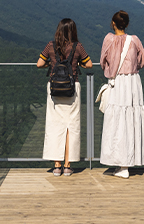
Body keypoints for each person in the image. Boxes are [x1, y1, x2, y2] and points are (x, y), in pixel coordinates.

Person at [37, 18, 92, 177]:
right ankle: (68, 165)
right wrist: (79, 64)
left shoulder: (51, 45)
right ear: (73, 31)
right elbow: (88, 64)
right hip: (71, 89)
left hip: (54, 90)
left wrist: (50, 64)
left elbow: (39, 64)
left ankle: (56, 166)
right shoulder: (77, 47)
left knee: (55, 127)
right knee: (71, 127)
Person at [99, 10, 144, 178]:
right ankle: (128, 162)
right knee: (131, 120)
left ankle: (122, 165)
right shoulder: (134, 40)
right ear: (127, 24)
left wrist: (112, 69)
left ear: (113, 23)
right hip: (133, 83)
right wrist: (133, 69)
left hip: (118, 82)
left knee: (117, 121)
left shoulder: (108, 39)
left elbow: (102, 61)